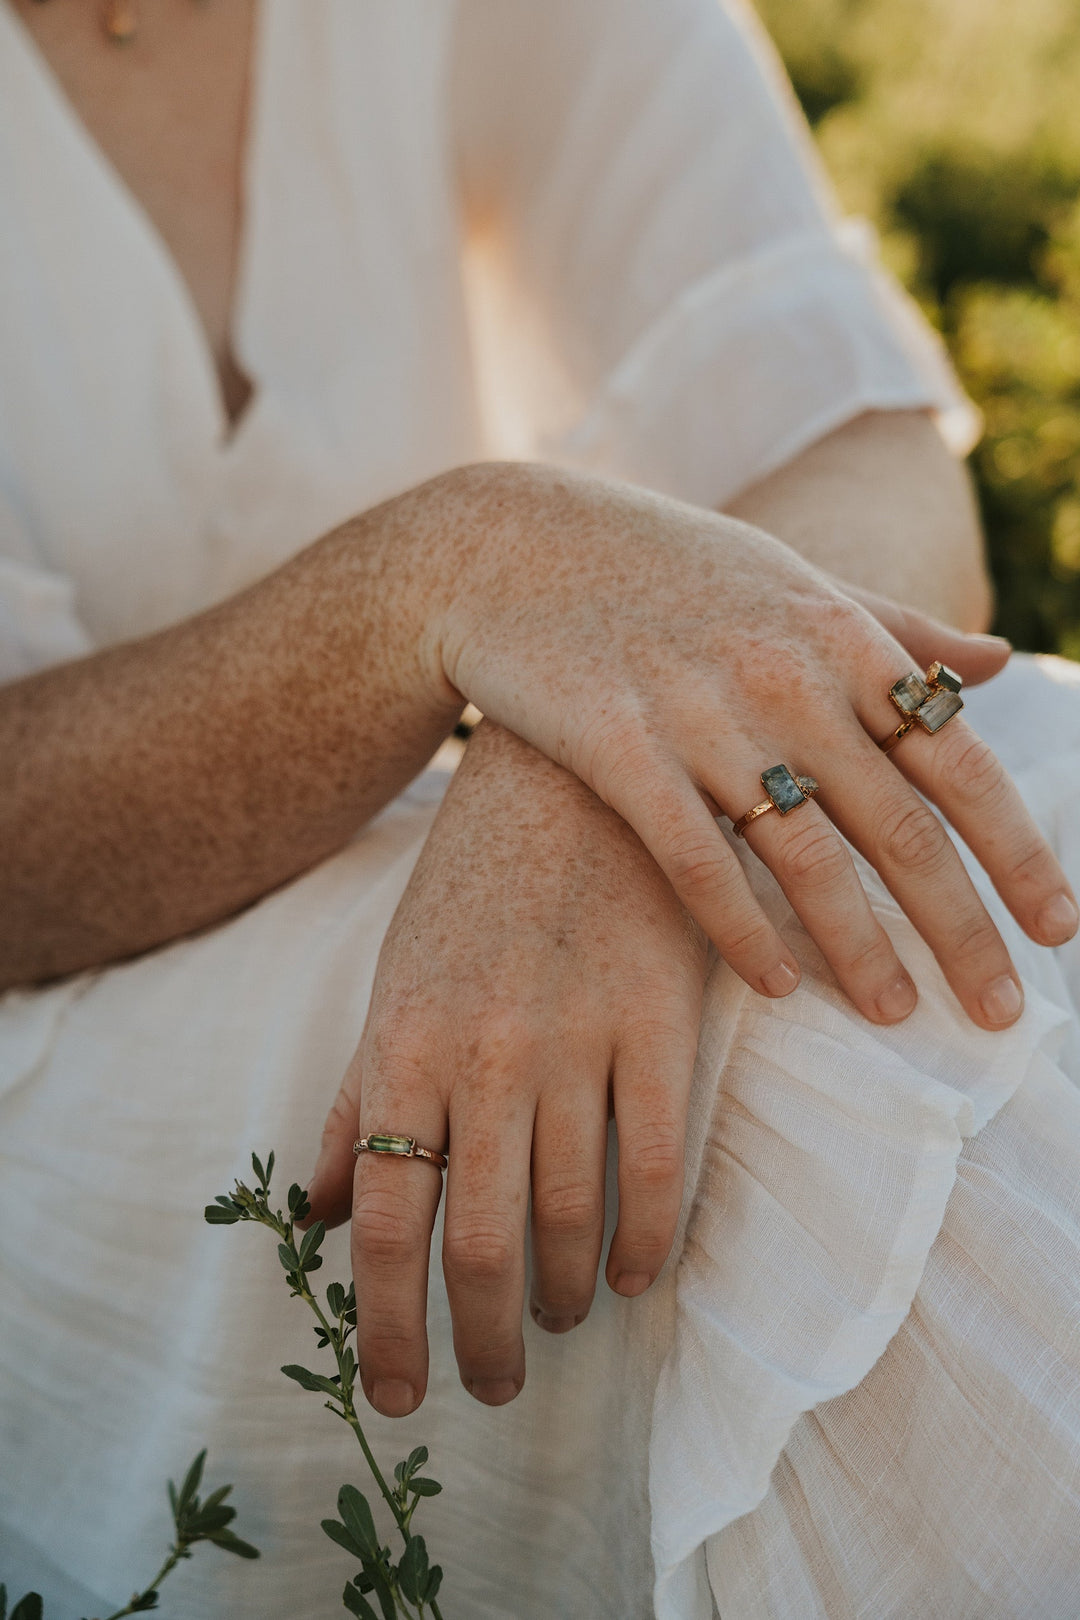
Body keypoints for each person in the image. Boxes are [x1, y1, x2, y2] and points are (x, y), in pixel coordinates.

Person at [2, 1, 1079, 1616]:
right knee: (812, 1088)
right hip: (61, 1021)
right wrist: (457, 576)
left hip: (457, 867)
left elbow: (859, 445)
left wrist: (596, 775)